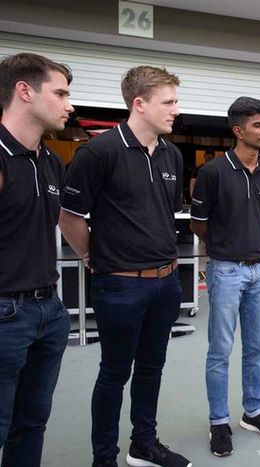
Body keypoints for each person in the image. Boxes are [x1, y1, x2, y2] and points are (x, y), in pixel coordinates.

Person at [59, 66, 191, 467]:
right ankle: (104, 458)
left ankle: (143, 445)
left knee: (152, 367)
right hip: (119, 285)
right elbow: (69, 216)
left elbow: (165, 214)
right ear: (139, 103)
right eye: (168, 102)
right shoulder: (99, 152)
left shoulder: (172, 154)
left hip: (166, 282)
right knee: (114, 373)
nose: (176, 110)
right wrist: (92, 259)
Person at [190, 96, 260, 458]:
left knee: (258, 347)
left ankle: (253, 412)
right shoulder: (213, 173)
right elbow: (200, 223)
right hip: (225, 269)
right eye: (258, 125)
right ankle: (218, 421)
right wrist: (225, 247)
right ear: (238, 130)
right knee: (220, 350)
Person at [0, 53, 73, 467]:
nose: (70, 104)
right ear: (24, 91)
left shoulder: (50, 163)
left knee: (31, 422)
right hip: (5, 313)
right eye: (60, 93)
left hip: (49, 310)